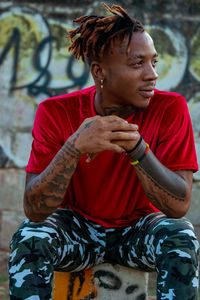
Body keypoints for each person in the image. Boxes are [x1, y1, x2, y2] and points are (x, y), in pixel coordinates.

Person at [9, 3, 199, 300]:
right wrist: (73, 148)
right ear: (100, 72)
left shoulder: (170, 108)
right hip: (77, 228)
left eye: (154, 62)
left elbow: (178, 207)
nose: (152, 75)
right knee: (30, 237)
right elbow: (35, 210)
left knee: (180, 236)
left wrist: (138, 149)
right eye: (138, 64)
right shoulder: (56, 112)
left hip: (137, 230)